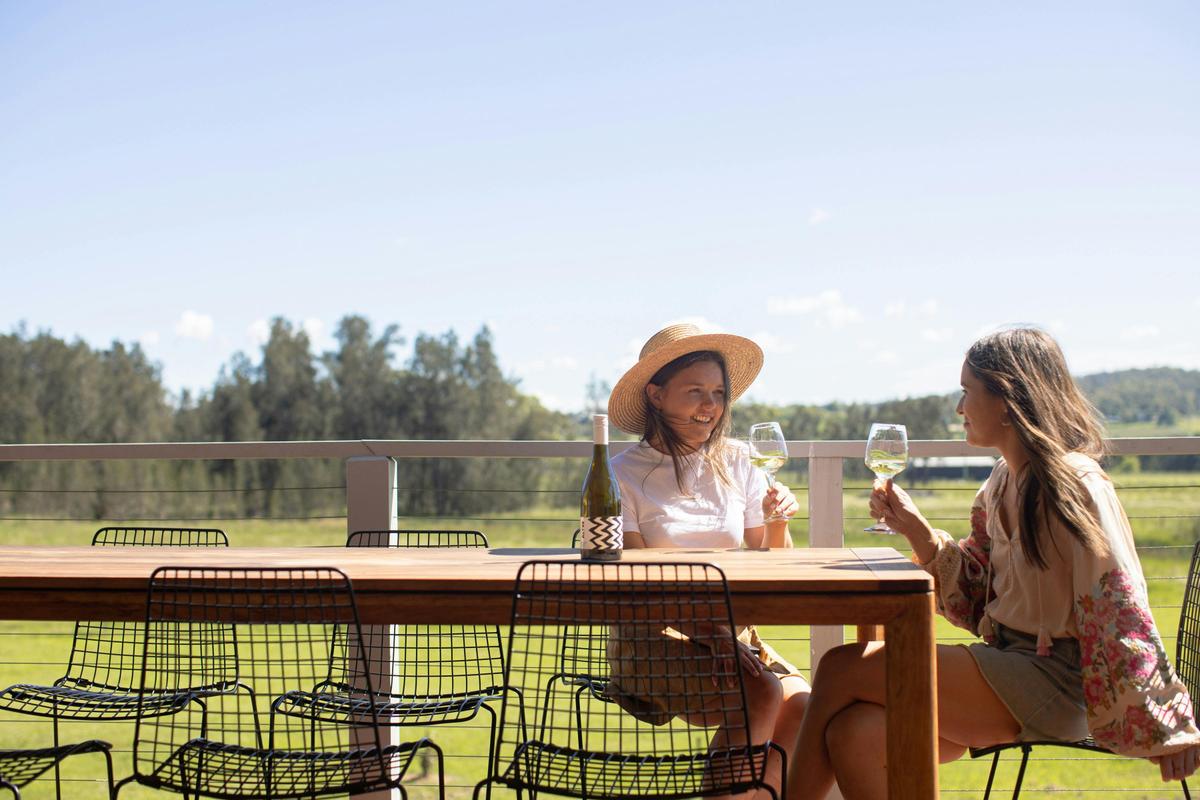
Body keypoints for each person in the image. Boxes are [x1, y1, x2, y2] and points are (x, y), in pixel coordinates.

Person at [788, 327, 1200, 800]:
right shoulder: (1004, 479)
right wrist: (917, 530)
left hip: (1054, 680)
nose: (959, 409)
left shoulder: (1075, 484)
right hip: (1008, 663)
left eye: (967, 392)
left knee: (841, 668)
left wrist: (1169, 721)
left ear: (1006, 398)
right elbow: (978, 594)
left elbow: (1120, 602)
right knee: (855, 731)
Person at [604, 322, 811, 799]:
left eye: (718, 392)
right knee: (761, 694)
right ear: (656, 395)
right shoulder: (621, 474)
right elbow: (634, 583)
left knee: (802, 704)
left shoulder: (739, 460)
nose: (710, 406)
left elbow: (773, 566)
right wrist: (711, 635)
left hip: (732, 632)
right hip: (652, 634)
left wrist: (777, 522)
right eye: (695, 390)